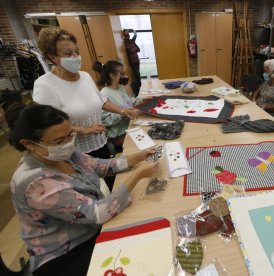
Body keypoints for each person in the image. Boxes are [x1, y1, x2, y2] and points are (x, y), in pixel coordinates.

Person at [5, 103, 159, 275]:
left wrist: (139, 156)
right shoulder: (34, 183)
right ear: (29, 144)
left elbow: (101, 166)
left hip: (90, 226)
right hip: (65, 253)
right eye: (59, 141)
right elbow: (98, 213)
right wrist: (138, 175)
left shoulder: (62, 152)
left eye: (70, 134)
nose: (68, 143)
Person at [33, 27, 138, 188]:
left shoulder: (85, 76)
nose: (75, 57)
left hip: (101, 142)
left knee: (110, 182)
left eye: (76, 51)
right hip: (73, 152)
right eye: (68, 54)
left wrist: (122, 110)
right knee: (92, 189)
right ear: (52, 57)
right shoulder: (45, 85)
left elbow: (101, 101)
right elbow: (47, 127)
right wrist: (83, 130)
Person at [93, 60, 142, 152]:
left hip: (130, 125)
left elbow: (127, 103)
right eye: (121, 73)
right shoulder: (104, 93)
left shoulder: (121, 87)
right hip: (119, 133)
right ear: (112, 75)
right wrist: (122, 113)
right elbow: (106, 121)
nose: (124, 75)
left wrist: (143, 100)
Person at [122, 29, 141, 96]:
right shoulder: (125, 42)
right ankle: (139, 87)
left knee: (138, 74)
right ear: (124, 35)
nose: (128, 34)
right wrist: (134, 49)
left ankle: (140, 86)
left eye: (128, 33)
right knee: (137, 74)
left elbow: (138, 49)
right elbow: (131, 51)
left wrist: (132, 30)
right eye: (127, 33)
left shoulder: (131, 41)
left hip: (137, 60)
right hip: (132, 62)